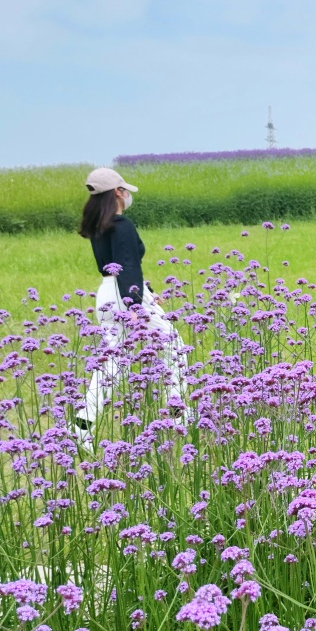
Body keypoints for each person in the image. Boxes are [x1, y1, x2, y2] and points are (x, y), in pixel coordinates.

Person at [72, 167, 188, 449]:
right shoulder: (121, 225)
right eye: (124, 190)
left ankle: (82, 422)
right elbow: (127, 264)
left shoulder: (99, 226)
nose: (127, 195)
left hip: (107, 294)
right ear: (117, 193)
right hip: (126, 295)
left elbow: (114, 267)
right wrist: (135, 303)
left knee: (112, 359)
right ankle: (178, 415)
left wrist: (146, 291)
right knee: (174, 344)